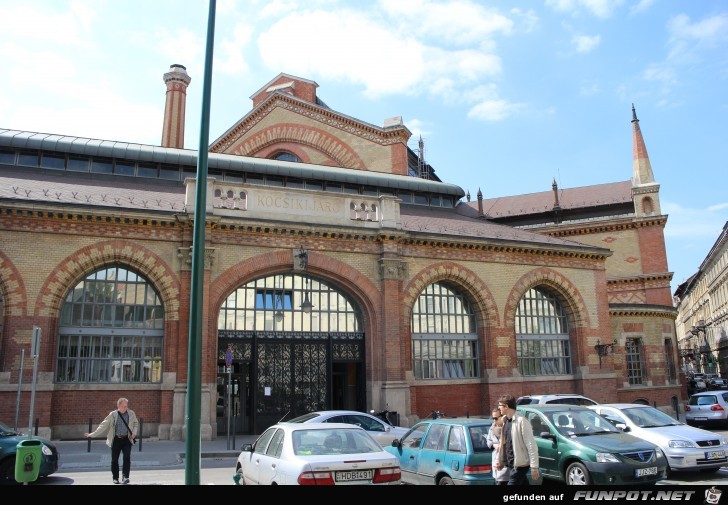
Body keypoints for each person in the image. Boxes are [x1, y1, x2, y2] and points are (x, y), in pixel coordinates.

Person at [85, 397, 139, 484]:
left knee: (127, 458)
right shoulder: (113, 414)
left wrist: (134, 432)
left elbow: (136, 423)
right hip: (116, 439)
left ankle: (125, 477)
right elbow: (103, 425)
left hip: (127, 439)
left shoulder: (131, 413)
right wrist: (93, 434)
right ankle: (115, 478)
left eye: (126, 406)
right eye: (124, 406)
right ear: (119, 406)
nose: (126, 408)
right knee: (114, 460)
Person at [494, 394, 540, 485]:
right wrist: (499, 461)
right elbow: (504, 444)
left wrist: (534, 468)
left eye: (500, 406)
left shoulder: (522, 421)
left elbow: (531, 445)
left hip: (521, 465)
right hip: (511, 464)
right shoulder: (506, 421)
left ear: (506, 406)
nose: (499, 409)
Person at [486, 408, 510, 484]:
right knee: (497, 481)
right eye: (493, 418)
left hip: (505, 462)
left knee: (502, 481)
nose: (494, 420)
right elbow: (488, 440)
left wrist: (502, 446)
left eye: (496, 418)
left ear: (502, 417)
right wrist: (494, 445)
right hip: (495, 460)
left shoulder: (507, 427)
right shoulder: (492, 427)